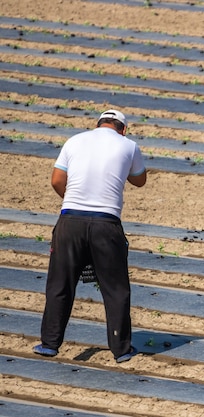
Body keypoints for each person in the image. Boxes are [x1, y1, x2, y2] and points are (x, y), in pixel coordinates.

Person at [33, 109, 147, 363]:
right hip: (106, 224)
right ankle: (121, 349)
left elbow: (56, 180)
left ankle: (49, 344)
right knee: (115, 288)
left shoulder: (74, 141)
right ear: (123, 129)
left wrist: (74, 200)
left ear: (96, 125)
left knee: (60, 284)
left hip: (70, 221)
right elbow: (140, 181)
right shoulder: (129, 146)